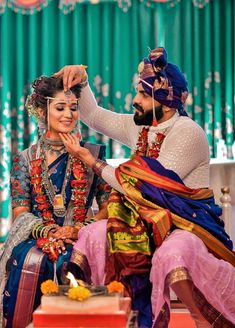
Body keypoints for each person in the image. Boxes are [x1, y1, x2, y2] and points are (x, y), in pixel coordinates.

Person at [55, 47, 235, 328]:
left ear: (166, 103)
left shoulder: (188, 132)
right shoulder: (141, 126)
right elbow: (94, 116)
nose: (134, 100)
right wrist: (81, 80)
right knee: (94, 234)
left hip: (186, 225)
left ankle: (205, 321)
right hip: (144, 223)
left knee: (171, 254)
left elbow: (145, 185)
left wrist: (92, 161)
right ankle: (114, 316)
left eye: (143, 95)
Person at [0, 75, 110, 328]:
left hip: (82, 234)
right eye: (60, 107)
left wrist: (79, 229)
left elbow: (109, 206)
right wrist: (49, 231)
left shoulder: (91, 154)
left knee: (70, 260)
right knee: (29, 258)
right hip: (38, 235)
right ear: (41, 110)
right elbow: (21, 212)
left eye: (73, 108)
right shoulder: (25, 159)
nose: (68, 115)